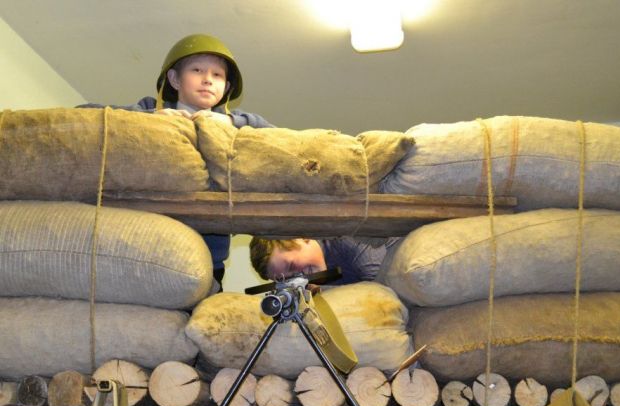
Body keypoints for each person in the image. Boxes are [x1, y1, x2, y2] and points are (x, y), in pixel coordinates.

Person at [81, 34, 274, 289]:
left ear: (226, 88)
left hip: (208, 254)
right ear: (174, 79)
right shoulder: (150, 108)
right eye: (197, 70)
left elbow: (275, 135)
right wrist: (153, 117)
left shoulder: (234, 122)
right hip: (150, 239)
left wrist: (230, 122)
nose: (208, 79)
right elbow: (84, 114)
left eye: (217, 75)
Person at [249, 237, 401, 285]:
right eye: (287, 280)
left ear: (300, 238)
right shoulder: (318, 282)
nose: (298, 277)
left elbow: (385, 287)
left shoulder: (345, 240)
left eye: (292, 265)